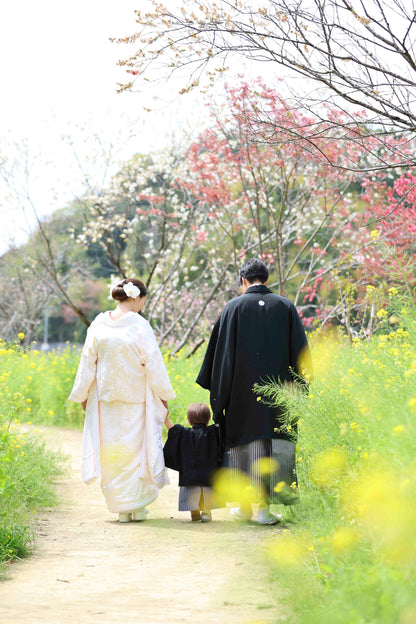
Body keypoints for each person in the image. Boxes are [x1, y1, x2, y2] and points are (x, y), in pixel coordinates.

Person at [196, 258, 311, 525]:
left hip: (241, 394)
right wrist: (299, 393)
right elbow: (301, 354)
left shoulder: (233, 308)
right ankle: (263, 510)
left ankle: (246, 507)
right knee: (273, 446)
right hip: (279, 392)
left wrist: (220, 397)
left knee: (244, 446)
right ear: (267, 280)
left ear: (243, 282)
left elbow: (222, 357)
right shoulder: (285, 306)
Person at [68, 278, 176, 523]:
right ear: (137, 297)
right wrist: (163, 394)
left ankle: (121, 508)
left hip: (107, 400)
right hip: (135, 399)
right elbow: (153, 362)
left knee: (112, 451)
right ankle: (136, 506)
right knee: (136, 451)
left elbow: (88, 362)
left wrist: (83, 393)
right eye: (144, 300)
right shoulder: (139, 325)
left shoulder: (98, 323)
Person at [163, 403, 221, 522]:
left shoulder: (183, 434)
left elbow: (172, 429)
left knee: (191, 494)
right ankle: (206, 512)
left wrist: (165, 417)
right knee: (208, 493)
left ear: (189, 421)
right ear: (208, 419)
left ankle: (194, 513)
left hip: (189, 478)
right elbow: (223, 426)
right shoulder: (214, 433)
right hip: (209, 479)